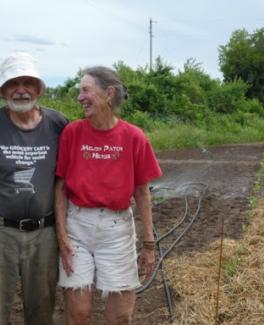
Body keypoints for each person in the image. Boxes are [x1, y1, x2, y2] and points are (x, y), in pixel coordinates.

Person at [55, 66, 162, 325]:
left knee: (120, 316)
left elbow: (142, 193)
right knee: (79, 313)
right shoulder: (73, 133)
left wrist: (149, 244)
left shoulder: (134, 137)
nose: (80, 97)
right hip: (77, 228)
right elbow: (59, 187)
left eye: (86, 90)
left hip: (117, 231)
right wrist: (62, 237)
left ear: (108, 93)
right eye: (79, 91)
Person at [0, 52, 68, 324]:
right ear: (3, 90)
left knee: (41, 309)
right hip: (2, 231)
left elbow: (69, 175)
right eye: (13, 83)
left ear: (39, 88)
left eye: (28, 82)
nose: (21, 90)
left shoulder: (58, 124)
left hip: (44, 233)